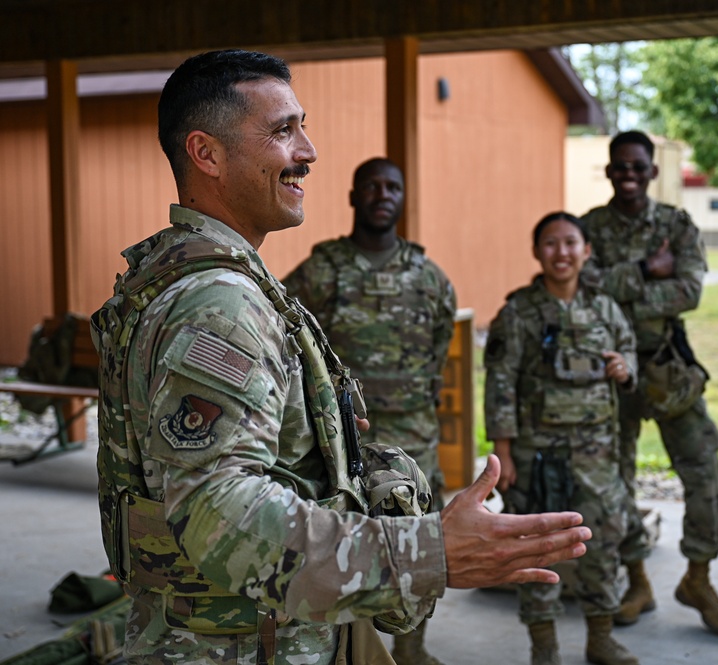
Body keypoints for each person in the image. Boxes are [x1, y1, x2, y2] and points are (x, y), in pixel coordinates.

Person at [89, 49, 591, 664]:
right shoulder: (220, 303)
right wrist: (426, 553)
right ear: (207, 154)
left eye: (302, 127)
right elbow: (219, 514)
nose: (308, 151)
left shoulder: (189, 274)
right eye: (283, 131)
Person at [283, 157, 456, 665]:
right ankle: (347, 648)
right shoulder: (322, 271)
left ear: (403, 198)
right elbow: (286, 335)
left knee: (417, 540)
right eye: (372, 186)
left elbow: (440, 344)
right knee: (341, 539)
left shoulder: (429, 277)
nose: (383, 195)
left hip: (414, 437)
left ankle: (411, 650)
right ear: (354, 197)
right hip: (343, 443)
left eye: (393, 187)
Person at [579, 130, 718, 635]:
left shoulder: (676, 224)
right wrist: (648, 269)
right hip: (608, 371)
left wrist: (620, 288)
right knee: (614, 480)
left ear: (651, 171)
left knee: (704, 471)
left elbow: (689, 291)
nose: (628, 175)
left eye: (638, 166)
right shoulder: (588, 228)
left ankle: (698, 578)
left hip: (667, 368)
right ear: (609, 171)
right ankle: (637, 581)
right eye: (620, 166)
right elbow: (582, 289)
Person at [484, 212, 640, 665]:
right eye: (551, 243)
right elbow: (501, 382)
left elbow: (629, 353)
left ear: (586, 251)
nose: (562, 252)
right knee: (537, 549)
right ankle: (545, 648)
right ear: (537, 252)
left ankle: (601, 637)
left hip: (596, 455)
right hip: (538, 456)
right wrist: (504, 452)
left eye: (571, 243)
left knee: (602, 545)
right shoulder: (519, 312)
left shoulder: (606, 309)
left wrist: (625, 368)